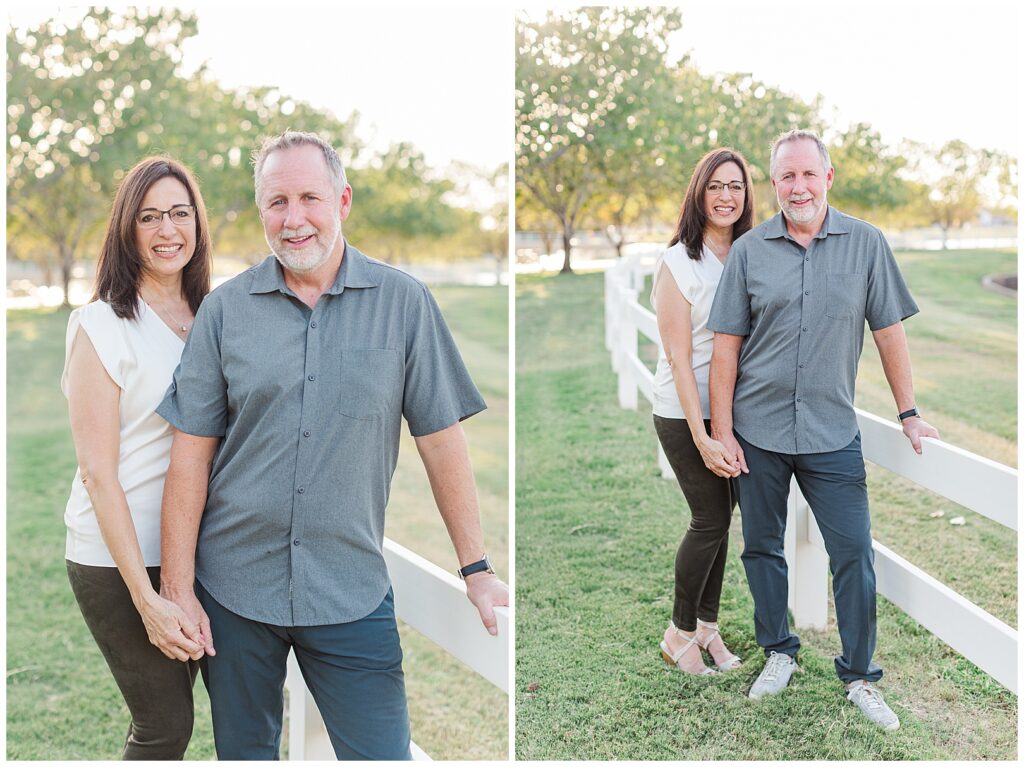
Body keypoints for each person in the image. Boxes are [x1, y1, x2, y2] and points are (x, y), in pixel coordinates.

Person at [155, 130, 510, 760]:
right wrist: (179, 589)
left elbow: (442, 443)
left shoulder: (404, 304)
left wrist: (476, 569)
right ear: (261, 210)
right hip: (234, 592)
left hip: (350, 589)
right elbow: (189, 459)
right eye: (276, 202)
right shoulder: (224, 312)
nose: (294, 220)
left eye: (309, 198)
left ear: (342, 200)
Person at [707, 129, 940, 729]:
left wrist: (908, 411)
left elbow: (890, 332)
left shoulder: (867, 244)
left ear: (828, 178)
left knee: (853, 552)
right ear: (775, 184)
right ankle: (778, 651)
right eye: (786, 176)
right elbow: (727, 348)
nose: (798, 186)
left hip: (833, 431)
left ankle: (860, 676)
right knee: (762, 547)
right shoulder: (751, 251)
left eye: (808, 174)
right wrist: (724, 430)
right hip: (756, 431)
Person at [61, 156, 213, 758]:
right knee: (164, 725)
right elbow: (98, 474)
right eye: (149, 217)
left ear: (198, 223)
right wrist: (146, 599)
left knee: (228, 708)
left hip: (199, 549)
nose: (167, 229)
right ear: (127, 229)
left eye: (179, 213)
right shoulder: (101, 325)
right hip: (115, 559)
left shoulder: (215, 315)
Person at [651, 148, 753, 676]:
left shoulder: (750, 252)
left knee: (724, 519)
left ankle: (707, 630)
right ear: (699, 192)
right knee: (709, 517)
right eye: (715, 186)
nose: (725, 196)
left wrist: (726, 425)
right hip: (682, 410)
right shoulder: (678, 262)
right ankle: (679, 633)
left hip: (731, 412)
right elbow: (678, 357)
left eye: (735, 186)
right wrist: (702, 435)